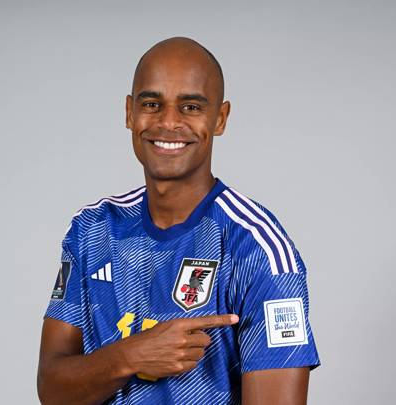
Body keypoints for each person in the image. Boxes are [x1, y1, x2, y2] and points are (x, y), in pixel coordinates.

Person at [37, 37, 320, 405]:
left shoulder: (257, 248)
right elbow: (52, 390)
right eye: (152, 104)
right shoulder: (92, 229)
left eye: (190, 106)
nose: (168, 122)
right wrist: (130, 355)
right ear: (129, 113)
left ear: (219, 119)